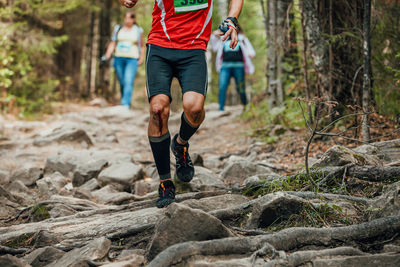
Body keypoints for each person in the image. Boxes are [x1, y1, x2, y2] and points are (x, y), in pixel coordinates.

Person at [119, 0, 243, 208]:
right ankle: (165, 182)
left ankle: (180, 144)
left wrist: (232, 19)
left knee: (194, 108)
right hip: (160, 46)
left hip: (193, 48)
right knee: (158, 110)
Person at [103, 12, 145, 108]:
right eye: (126, 18)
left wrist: (141, 57)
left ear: (133, 19)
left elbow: (142, 46)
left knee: (128, 80)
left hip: (132, 58)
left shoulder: (138, 30)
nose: (127, 20)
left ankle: (125, 104)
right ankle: (124, 99)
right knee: (122, 81)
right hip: (118, 58)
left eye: (129, 18)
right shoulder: (118, 29)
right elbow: (113, 43)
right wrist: (107, 55)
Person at [210, 27, 255, 111]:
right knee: (222, 86)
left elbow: (251, 51)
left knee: (240, 87)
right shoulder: (223, 38)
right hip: (225, 66)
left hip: (239, 66)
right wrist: (214, 36)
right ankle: (221, 108)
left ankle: (246, 107)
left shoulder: (242, 38)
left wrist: (250, 54)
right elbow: (214, 48)